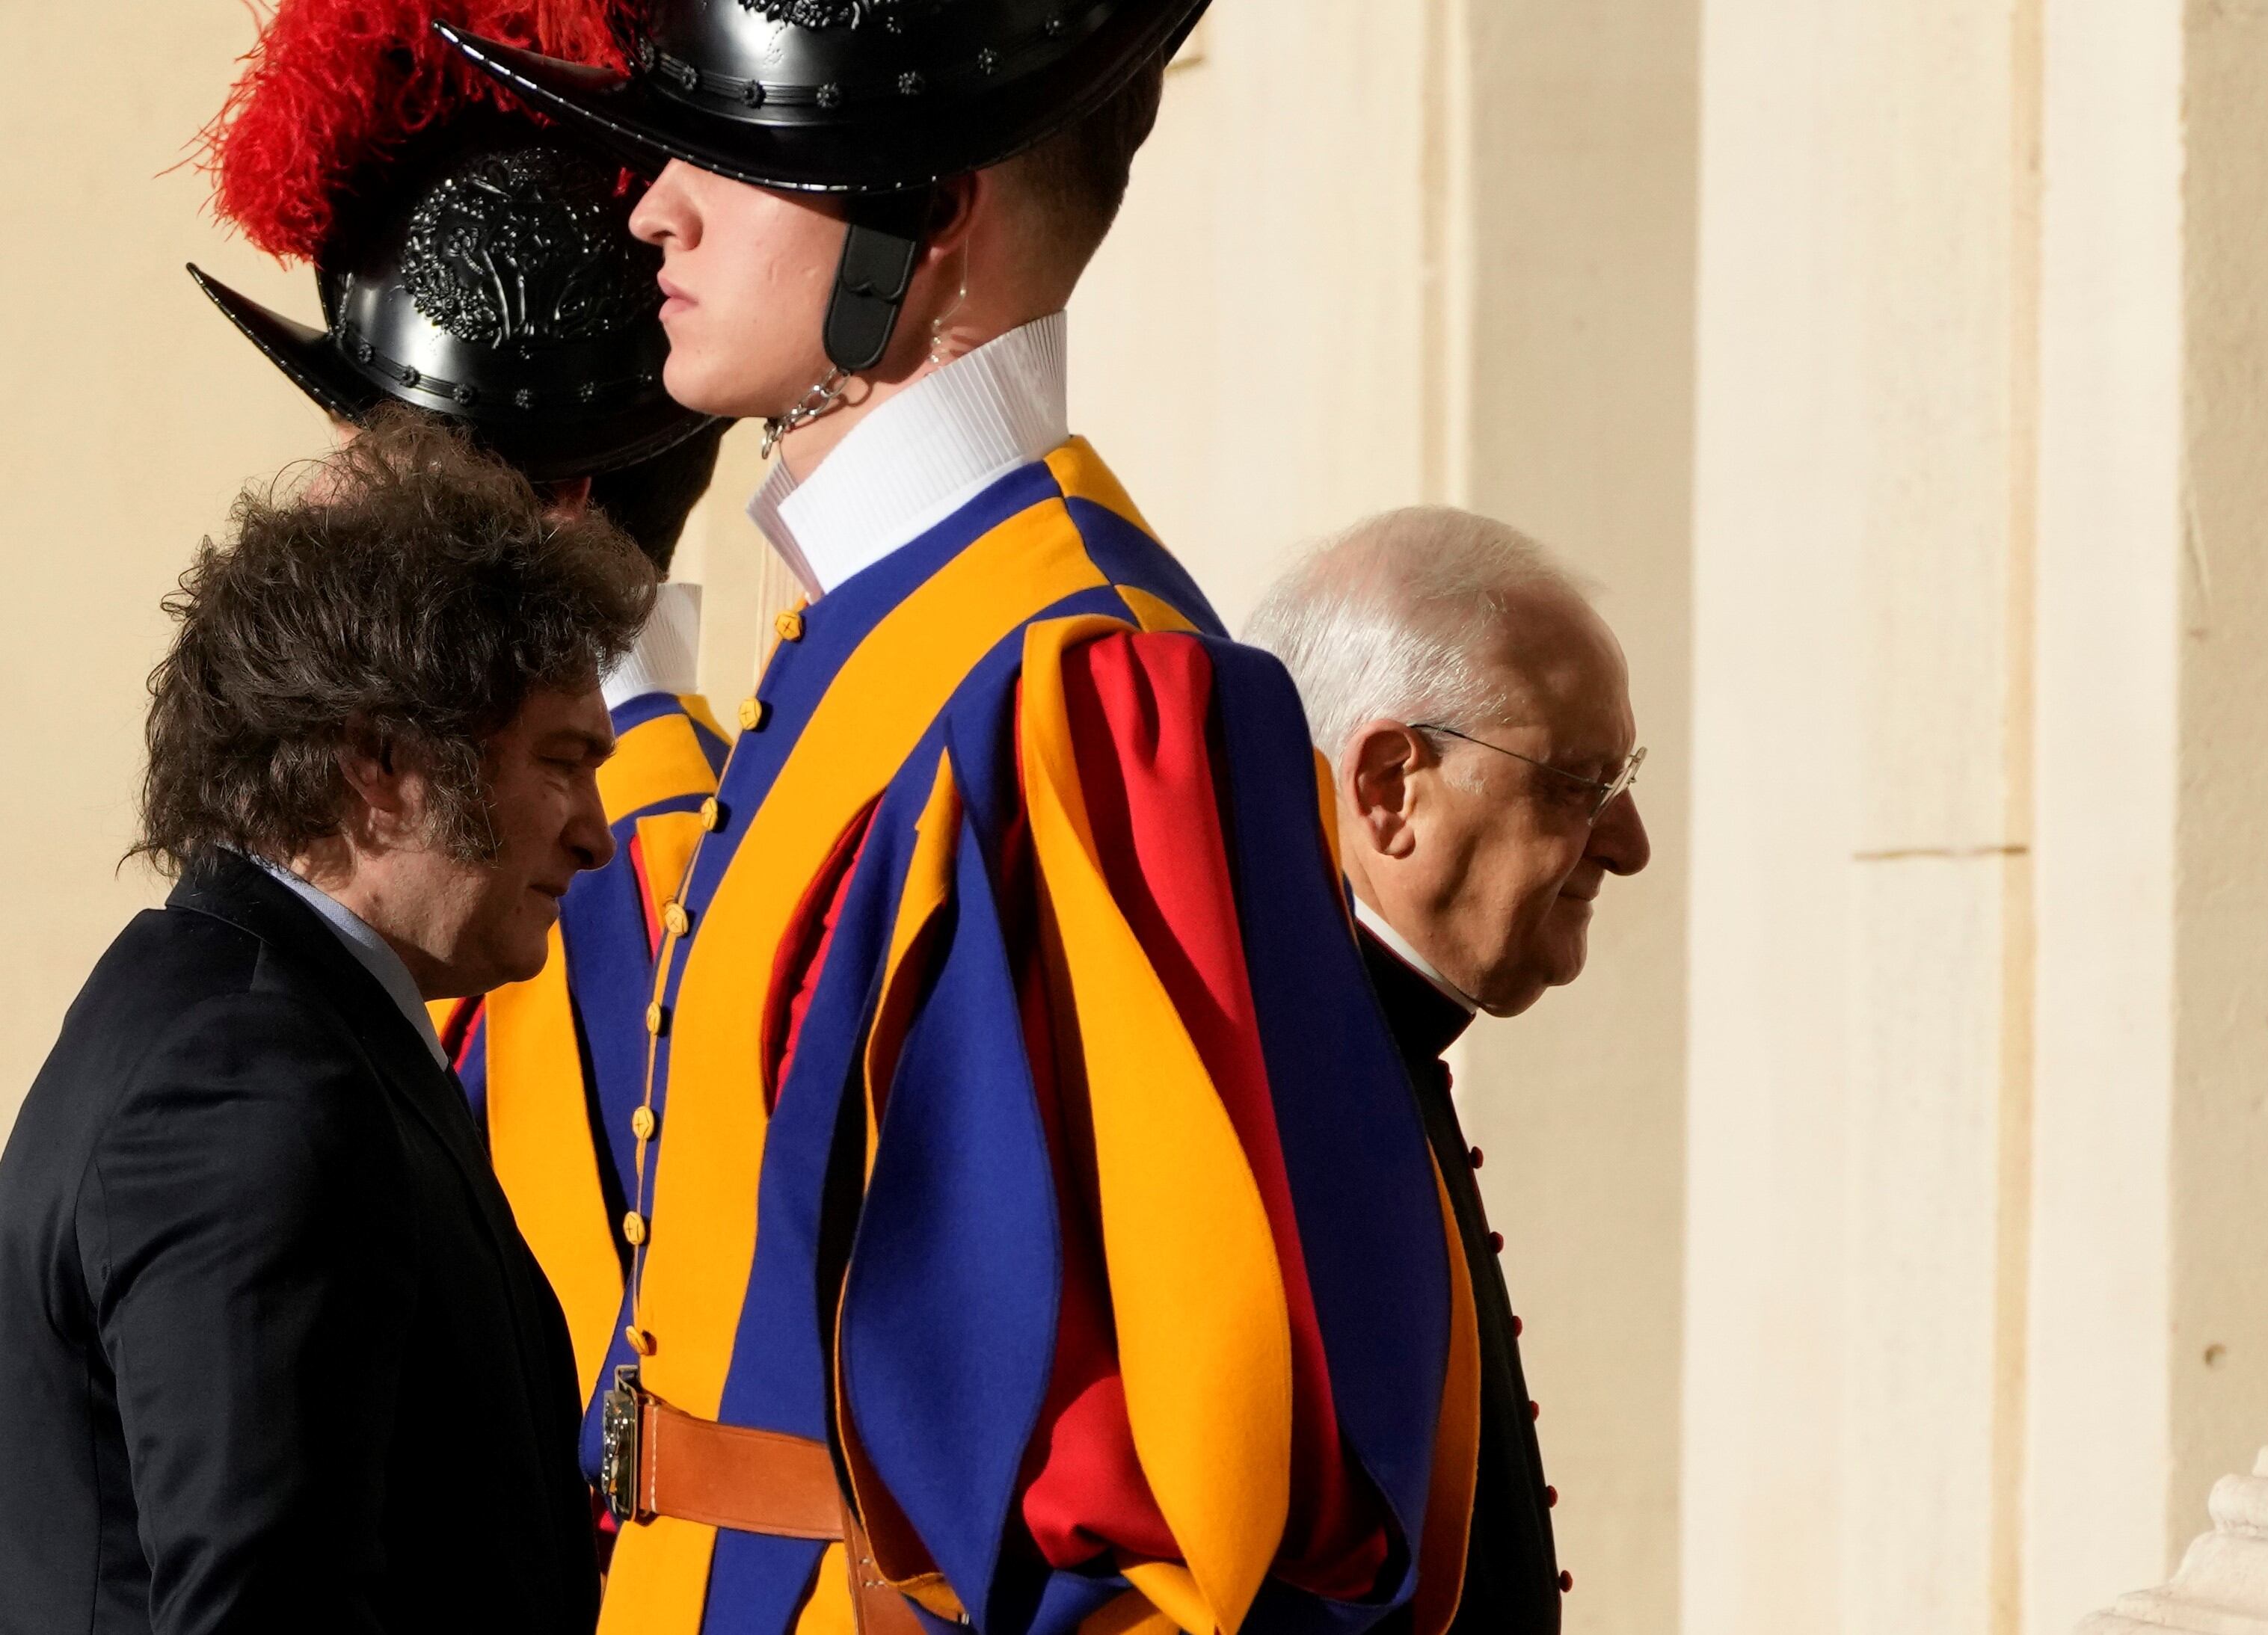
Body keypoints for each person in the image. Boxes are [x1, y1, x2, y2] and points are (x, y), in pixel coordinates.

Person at [443, 5, 1473, 1633]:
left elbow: (1159, 1493)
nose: (654, 207)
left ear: (925, 214)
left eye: (738, 154)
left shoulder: (1083, 688)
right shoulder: (880, 638)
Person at [190, 0, 734, 1503]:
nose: (315, 509)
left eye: (373, 467)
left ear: (530, 533)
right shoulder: (495, 822)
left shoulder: (648, 865)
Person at [0, 415, 654, 1634]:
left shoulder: (257, 1023)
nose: (594, 830)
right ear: (382, 760)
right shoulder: (251, 1088)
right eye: (562, 761)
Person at [1245, 505, 1653, 1635]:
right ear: (1387, 787)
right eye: (1579, 784)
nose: (1628, 846)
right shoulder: (1257, 1114)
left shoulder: (1345, 1049)